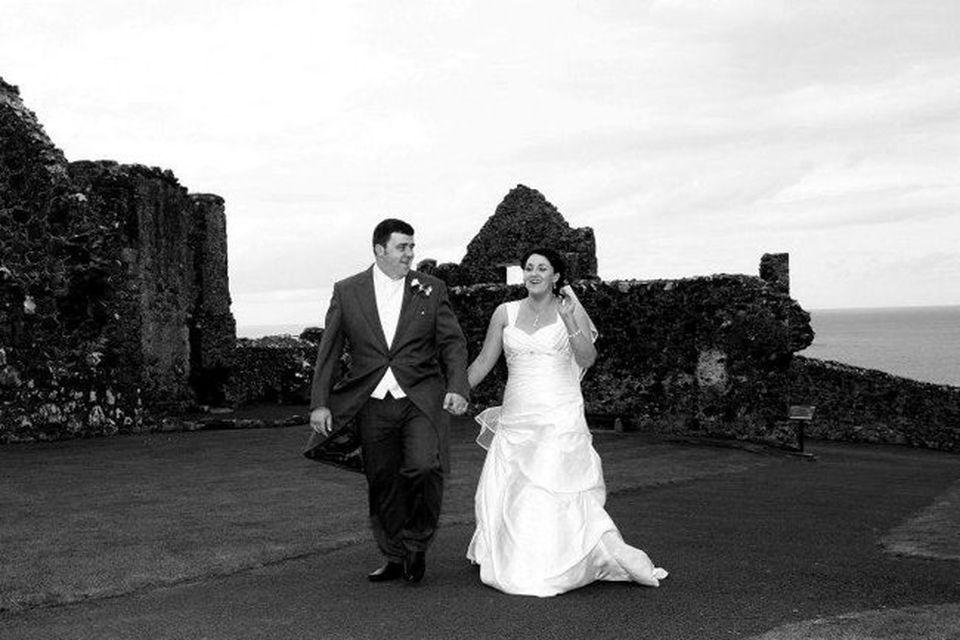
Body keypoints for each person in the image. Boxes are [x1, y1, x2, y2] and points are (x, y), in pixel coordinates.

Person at [465, 247, 668, 597]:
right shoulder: (504, 312)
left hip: (558, 412)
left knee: (551, 483)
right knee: (514, 486)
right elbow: (484, 361)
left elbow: (587, 357)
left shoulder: (568, 310)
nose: (533, 273)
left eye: (542, 268)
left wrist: (572, 320)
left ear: (556, 276)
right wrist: (454, 391)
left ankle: (555, 561)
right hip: (517, 414)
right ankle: (513, 553)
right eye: (528, 267)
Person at [306, 218, 470, 584]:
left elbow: (452, 343)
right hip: (372, 401)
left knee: (425, 467)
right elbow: (329, 349)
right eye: (402, 247)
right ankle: (395, 555)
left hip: (421, 398)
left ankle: (416, 544)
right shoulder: (348, 291)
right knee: (383, 482)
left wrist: (457, 386)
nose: (410, 254)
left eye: (412, 247)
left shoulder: (432, 287)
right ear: (379, 250)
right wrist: (320, 402)